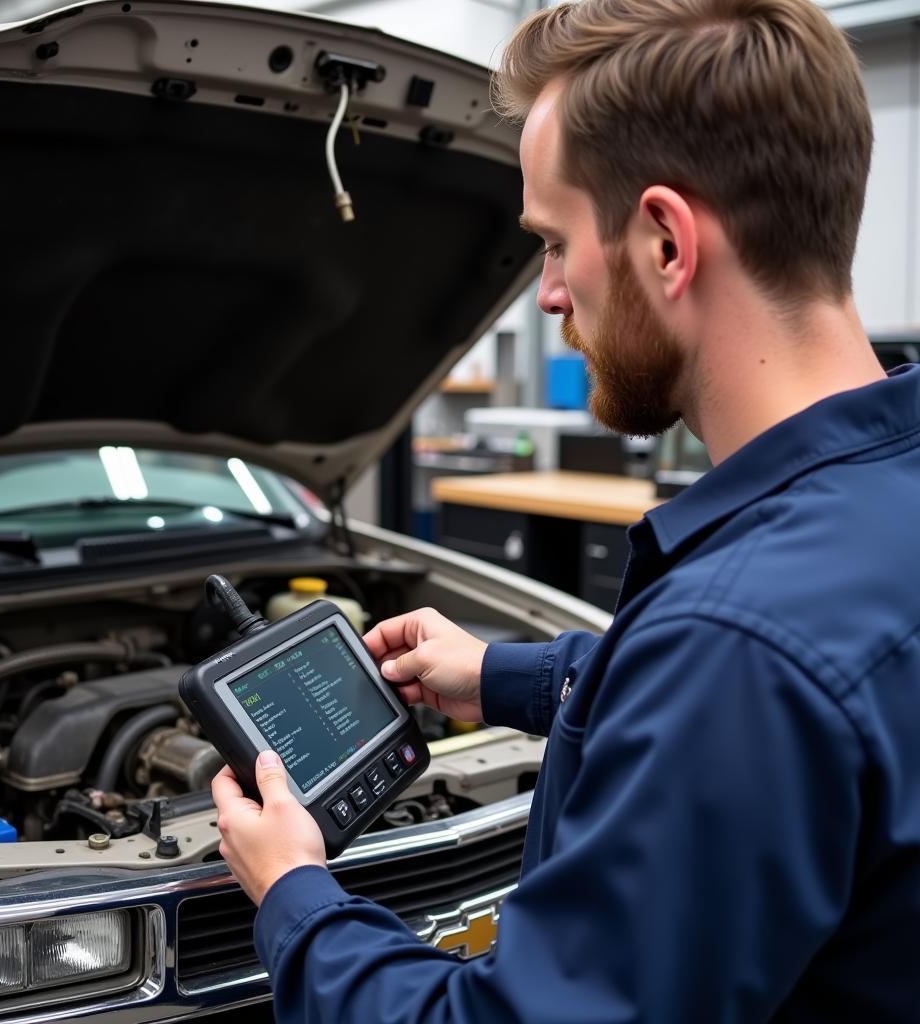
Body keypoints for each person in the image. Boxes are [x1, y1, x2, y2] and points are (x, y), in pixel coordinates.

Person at [210, 0, 920, 1018]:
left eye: (551, 242)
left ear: (666, 242)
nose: (545, 293)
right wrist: (504, 675)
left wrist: (293, 897)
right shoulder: (872, 508)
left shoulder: (734, 645)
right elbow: (760, 703)